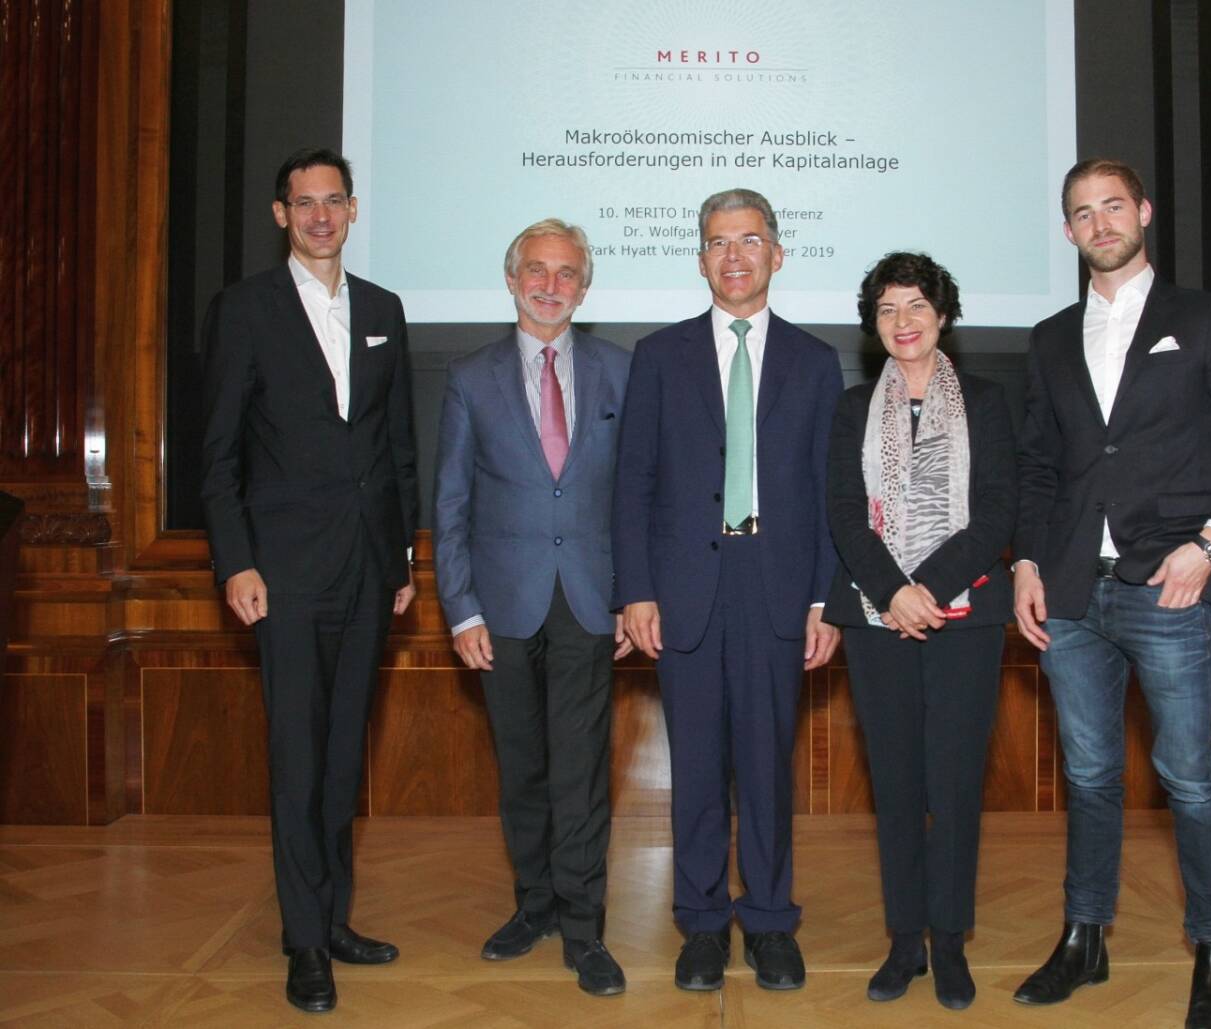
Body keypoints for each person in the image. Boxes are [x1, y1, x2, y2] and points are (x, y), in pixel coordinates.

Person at [1010, 158, 1211, 1029]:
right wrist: (1026, 563)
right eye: (1082, 213)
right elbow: (1037, 464)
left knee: (1191, 781)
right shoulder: (1050, 336)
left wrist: (1209, 545)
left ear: (1145, 213)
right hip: (1069, 593)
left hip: (1169, 589)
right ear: (1067, 232)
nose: (1099, 223)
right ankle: (1084, 937)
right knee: (1090, 776)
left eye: (1112, 207)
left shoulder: (1204, 317)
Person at [200, 147, 419, 1014]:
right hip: (282, 573)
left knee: (339, 760)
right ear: (281, 215)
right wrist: (235, 560)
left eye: (334, 200)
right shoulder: (244, 310)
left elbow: (397, 445)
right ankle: (303, 944)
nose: (321, 215)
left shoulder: (385, 309)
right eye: (304, 203)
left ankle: (333, 918)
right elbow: (217, 456)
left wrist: (403, 557)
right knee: (296, 757)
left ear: (354, 211)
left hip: (370, 568)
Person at [612, 188, 844, 992]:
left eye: (750, 240)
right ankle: (703, 921)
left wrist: (825, 598)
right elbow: (632, 481)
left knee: (768, 765)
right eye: (717, 242)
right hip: (685, 590)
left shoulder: (816, 363)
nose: (734, 255)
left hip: (778, 588)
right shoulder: (659, 355)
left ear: (778, 254)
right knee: (699, 767)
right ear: (701, 257)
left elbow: (827, 492)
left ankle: (772, 919)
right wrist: (636, 589)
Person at [432, 218, 631, 996]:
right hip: (501, 607)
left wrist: (633, 597)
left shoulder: (621, 369)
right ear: (512, 279)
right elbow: (450, 500)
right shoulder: (469, 376)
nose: (552, 285)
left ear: (586, 286)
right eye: (538, 271)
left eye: (568, 273)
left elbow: (636, 495)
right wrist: (461, 608)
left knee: (581, 772)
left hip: (590, 601)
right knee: (522, 771)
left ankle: (585, 930)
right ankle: (534, 905)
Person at [823, 252, 1017, 1010]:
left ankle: (951, 940)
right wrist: (891, 592)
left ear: (943, 315)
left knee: (955, 782)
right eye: (887, 310)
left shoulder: (991, 402)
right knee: (897, 781)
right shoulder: (850, 409)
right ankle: (905, 939)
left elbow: (999, 508)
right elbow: (842, 511)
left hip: (965, 617)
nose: (903, 322)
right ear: (875, 324)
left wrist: (926, 588)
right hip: (876, 619)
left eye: (916, 307)